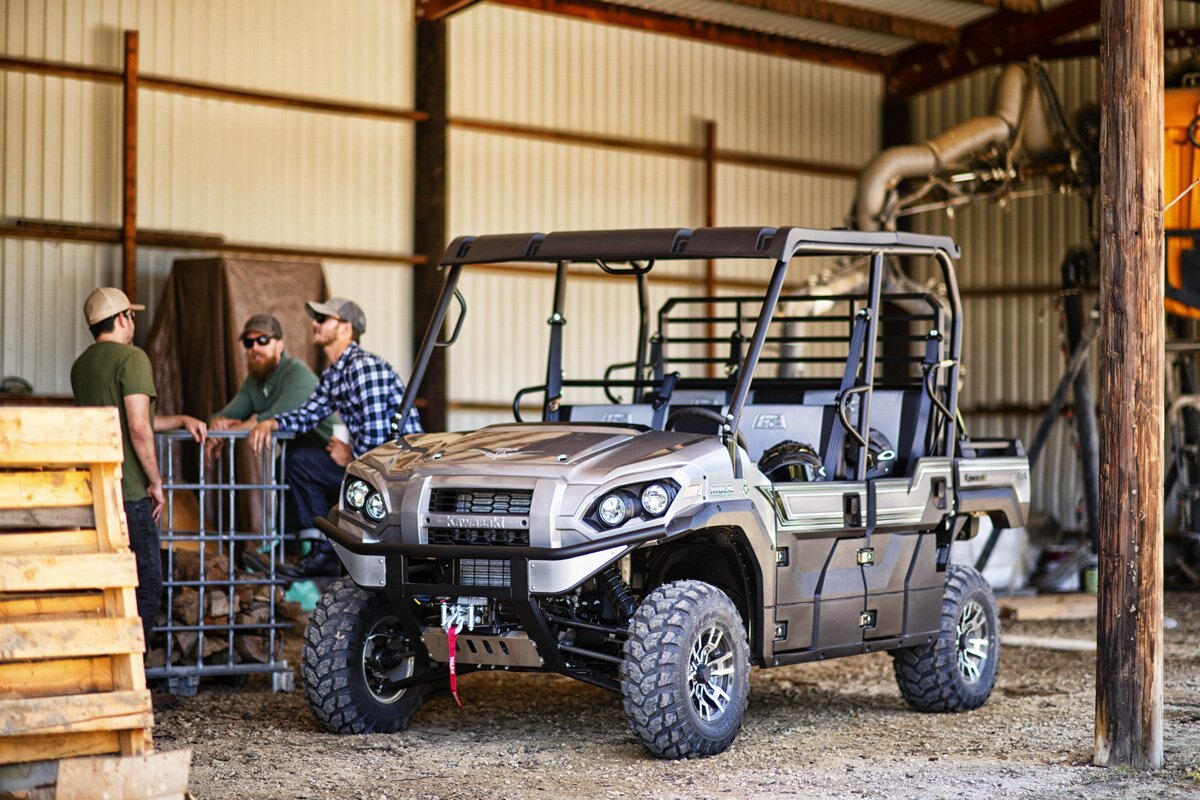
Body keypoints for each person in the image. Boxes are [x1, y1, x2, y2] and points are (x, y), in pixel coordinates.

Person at [70, 287, 207, 678]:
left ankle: (105, 672)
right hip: (129, 492)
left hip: (95, 490)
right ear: (124, 318)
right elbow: (138, 428)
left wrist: (179, 418)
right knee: (147, 584)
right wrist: (156, 482)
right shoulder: (133, 358)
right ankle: (133, 679)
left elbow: (131, 417)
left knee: (107, 584)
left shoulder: (82, 366)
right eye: (133, 316)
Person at [250, 297, 423, 578]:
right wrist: (271, 422)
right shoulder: (335, 373)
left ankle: (328, 549)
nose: (314, 324)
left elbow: (382, 440)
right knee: (298, 460)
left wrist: (351, 457)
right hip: (373, 464)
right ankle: (324, 546)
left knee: (301, 461)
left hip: (397, 474)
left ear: (346, 329)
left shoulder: (363, 367)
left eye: (323, 319)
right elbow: (309, 413)